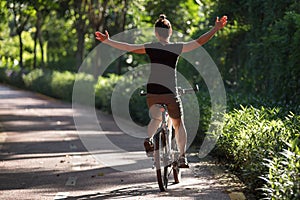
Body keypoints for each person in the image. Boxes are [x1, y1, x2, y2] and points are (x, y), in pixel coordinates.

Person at [95, 14, 227, 168]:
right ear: (170, 32)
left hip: (153, 92)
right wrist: (215, 28)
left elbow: (128, 48)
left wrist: (108, 41)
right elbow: (199, 42)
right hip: (170, 92)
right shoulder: (176, 47)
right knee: (178, 123)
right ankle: (182, 157)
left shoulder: (151, 47)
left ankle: (149, 139)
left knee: (156, 119)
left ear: (156, 33)